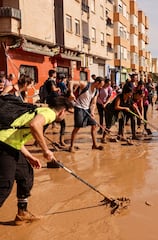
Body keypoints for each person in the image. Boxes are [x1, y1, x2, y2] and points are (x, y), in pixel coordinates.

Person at [0, 96, 73, 225]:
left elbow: (13, 134)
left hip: (9, 143)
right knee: (4, 186)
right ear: (62, 111)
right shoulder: (49, 114)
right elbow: (35, 125)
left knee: (26, 174)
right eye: (66, 113)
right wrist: (45, 150)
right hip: (3, 146)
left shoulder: (41, 111)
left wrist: (29, 156)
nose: (65, 116)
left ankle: (22, 213)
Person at [68, 76, 105, 152]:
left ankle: (94, 145)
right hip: (79, 108)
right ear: (97, 82)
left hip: (87, 109)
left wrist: (92, 112)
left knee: (94, 125)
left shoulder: (96, 91)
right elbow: (71, 82)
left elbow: (94, 103)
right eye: (100, 85)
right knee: (77, 127)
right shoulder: (85, 84)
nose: (101, 87)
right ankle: (71, 146)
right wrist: (71, 93)